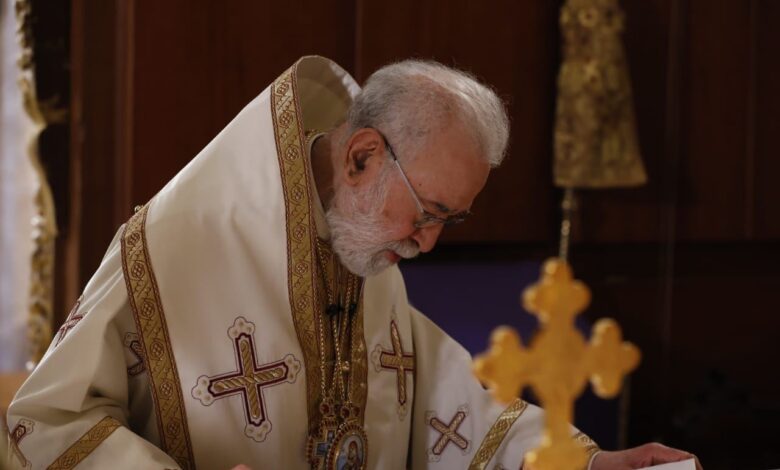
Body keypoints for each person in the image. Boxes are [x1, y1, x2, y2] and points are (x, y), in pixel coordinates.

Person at [6, 56, 699, 470]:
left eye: (450, 220)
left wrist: (582, 461)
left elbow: (442, 405)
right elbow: (45, 423)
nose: (428, 243)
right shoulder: (172, 247)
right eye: (427, 212)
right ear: (363, 156)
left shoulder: (358, 238)